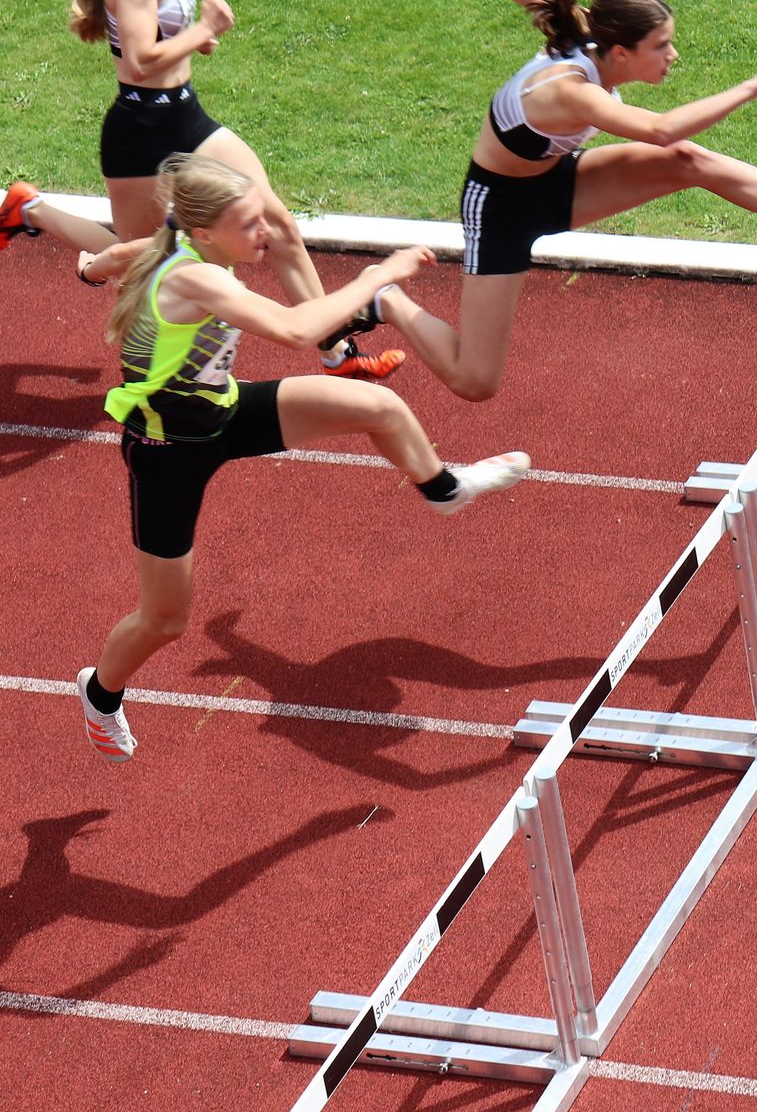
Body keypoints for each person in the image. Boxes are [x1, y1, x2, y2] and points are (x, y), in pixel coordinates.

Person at [76, 155, 529, 760]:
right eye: (250, 224)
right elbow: (294, 331)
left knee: (379, 408)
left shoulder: (175, 248)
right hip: (167, 454)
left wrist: (90, 268)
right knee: (164, 621)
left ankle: (443, 488)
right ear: (205, 231)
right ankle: (100, 694)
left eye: (262, 218)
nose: (265, 232)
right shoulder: (196, 277)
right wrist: (379, 278)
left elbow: (113, 259)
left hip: (225, 413)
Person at [329, 0, 757, 402]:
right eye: (661, 47)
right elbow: (659, 129)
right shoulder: (569, 89)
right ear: (622, 53)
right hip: (498, 208)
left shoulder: (591, 36)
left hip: (554, 180)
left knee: (687, 163)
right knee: (477, 382)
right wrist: (754, 86)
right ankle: (387, 297)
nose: (673, 55)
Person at [1, 0, 400, 379]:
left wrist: (194, 43)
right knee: (143, 258)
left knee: (277, 223)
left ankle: (335, 354)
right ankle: (30, 211)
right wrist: (202, 30)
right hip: (141, 131)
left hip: (187, 115)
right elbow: (142, 59)